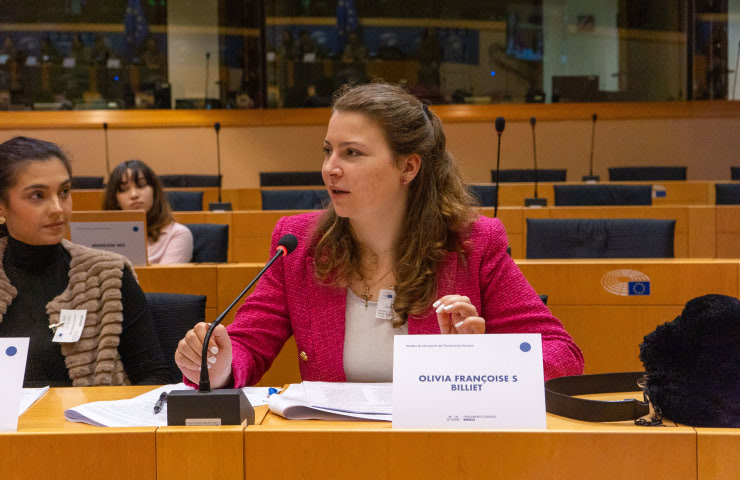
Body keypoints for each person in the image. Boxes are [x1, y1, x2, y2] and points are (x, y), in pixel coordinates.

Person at [175, 82, 584, 388]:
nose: (330, 168)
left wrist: (482, 359)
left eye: (351, 153)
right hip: (333, 453)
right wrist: (217, 363)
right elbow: (247, 344)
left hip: (440, 451)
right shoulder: (299, 245)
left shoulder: (471, 245)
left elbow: (563, 355)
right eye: (328, 150)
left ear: (408, 168)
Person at [0, 136, 168, 387]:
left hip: (89, 425)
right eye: (38, 195)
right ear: (2, 205)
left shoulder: (108, 274)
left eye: (64, 192)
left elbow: (154, 377)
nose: (58, 208)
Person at [103, 160, 193, 265]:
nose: (134, 195)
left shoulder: (177, 234)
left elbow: (164, 279)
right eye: (124, 189)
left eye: (141, 186)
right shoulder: (105, 237)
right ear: (115, 200)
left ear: (154, 191)